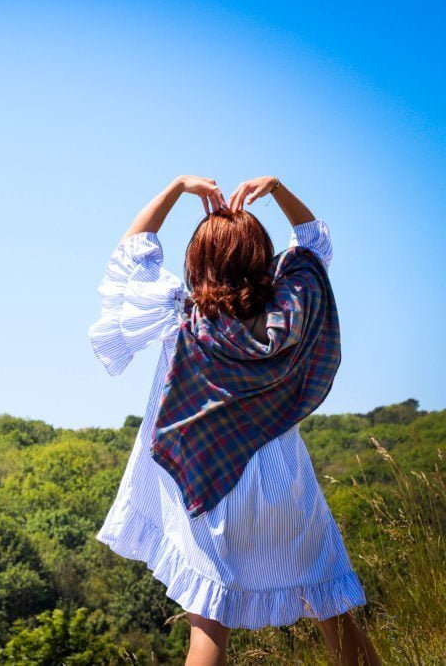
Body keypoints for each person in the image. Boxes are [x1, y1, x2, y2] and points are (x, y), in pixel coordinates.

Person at [87, 175, 381, 666]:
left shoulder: (178, 316)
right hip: (287, 488)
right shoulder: (291, 311)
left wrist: (177, 188)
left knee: (209, 626)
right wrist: (279, 190)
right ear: (262, 257)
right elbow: (313, 244)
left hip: (210, 490)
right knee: (333, 610)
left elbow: (130, 253)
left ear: (199, 260)